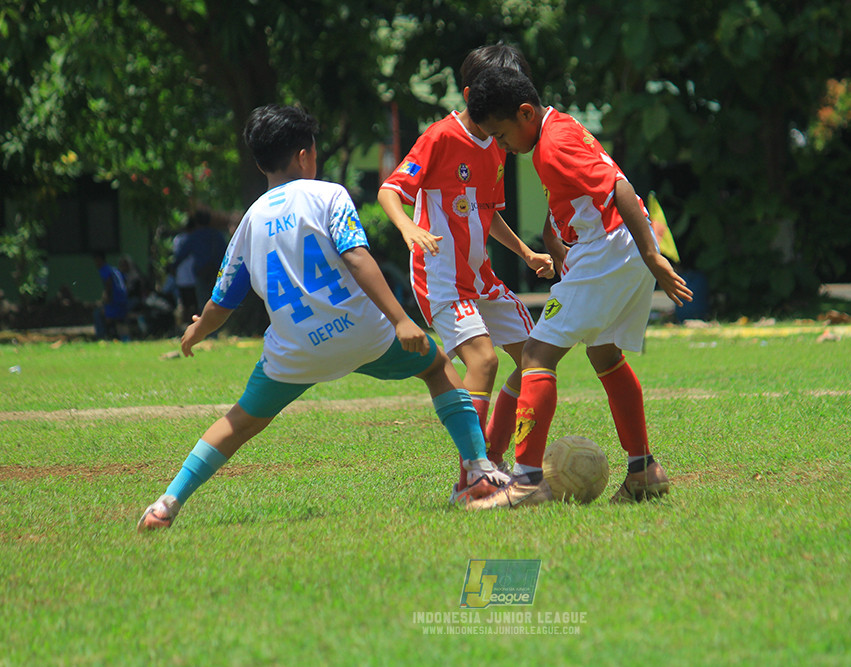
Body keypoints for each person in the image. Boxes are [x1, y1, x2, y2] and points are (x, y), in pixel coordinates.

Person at [137, 104, 509, 532]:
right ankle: (478, 470)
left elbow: (223, 301)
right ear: (304, 155)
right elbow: (356, 256)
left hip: (295, 350)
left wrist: (196, 332)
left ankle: (166, 504)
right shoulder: (329, 194)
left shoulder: (249, 222)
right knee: (438, 366)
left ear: (259, 163)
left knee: (237, 423)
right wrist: (401, 320)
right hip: (364, 335)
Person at [463, 67, 694, 509]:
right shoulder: (560, 126)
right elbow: (580, 188)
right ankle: (644, 470)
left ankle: (527, 482)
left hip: (611, 247)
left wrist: (653, 256)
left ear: (525, 112)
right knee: (603, 353)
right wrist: (555, 237)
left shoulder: (550, 147)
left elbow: (619, 188)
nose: (502, 145)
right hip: (618, 246)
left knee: (536, 354)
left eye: (502, 133)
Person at [378, 43, 554, 502]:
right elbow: (390, 191)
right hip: (440, 277)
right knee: (484, 362)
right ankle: (470, 479)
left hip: (483, 280)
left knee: (536, 356)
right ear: (474, 93)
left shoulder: (496, 144)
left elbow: (489, 212)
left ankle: (490, 461)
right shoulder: (440, 136)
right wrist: (408, 227)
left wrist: (525, 252)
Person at [92, 251, 130, 341]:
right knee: (120, 321)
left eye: (96, 260)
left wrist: (107, 299)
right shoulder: (114, 270)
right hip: (123, 300)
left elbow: (108, 284)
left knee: (98, 314)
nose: (95, 263)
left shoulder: (104, 269)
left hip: (115, 301)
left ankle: (102, 337)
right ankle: (124, 339)